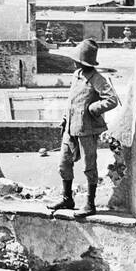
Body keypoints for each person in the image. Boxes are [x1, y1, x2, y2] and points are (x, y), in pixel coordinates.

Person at [48, 38, 118, 216]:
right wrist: (65, 118)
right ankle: (67, 199)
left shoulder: (97, 79)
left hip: (87, 130)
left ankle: (90, 204)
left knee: (89, 167)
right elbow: (72, 100)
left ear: (83, 61)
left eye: (77, 60)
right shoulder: (76, 75)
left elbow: (112, 100)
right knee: (64, 164)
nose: (74, 62)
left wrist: (93, 109)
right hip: (70, 128)